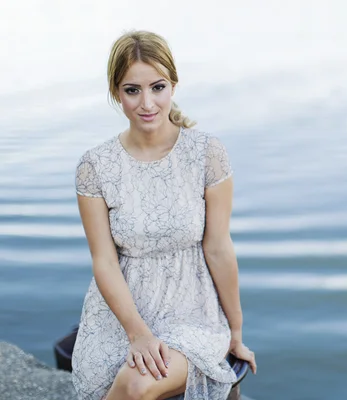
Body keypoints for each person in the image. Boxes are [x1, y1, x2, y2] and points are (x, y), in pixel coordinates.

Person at [71, 30, 257, 400]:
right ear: (115, 93)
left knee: (137, 383)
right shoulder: (95, 166)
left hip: (193, 309)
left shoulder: (207, 154)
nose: (147, 104)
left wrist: (235, 331)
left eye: (157, 87)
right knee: (114, 378)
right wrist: (137, 332)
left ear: (173, 84)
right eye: (132, 90)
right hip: (120, 313)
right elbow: (104, 261)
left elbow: (218, 248)